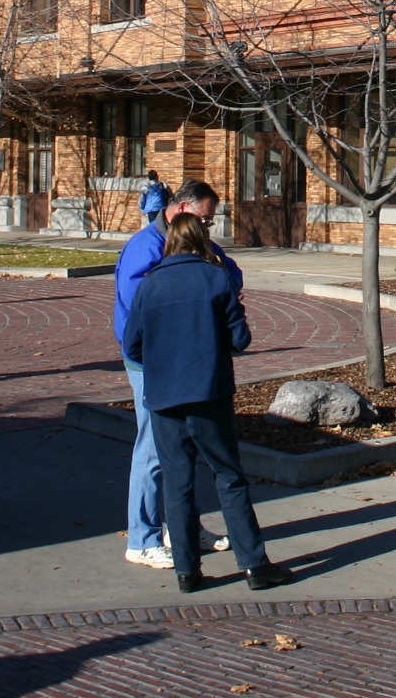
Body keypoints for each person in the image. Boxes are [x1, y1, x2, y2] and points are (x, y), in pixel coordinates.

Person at [125, 212, 292, 593]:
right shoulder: (216, 278)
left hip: (164, 395)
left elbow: (132, 345)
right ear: (201, 240)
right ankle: (254, 565)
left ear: (170, 241)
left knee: (177, 483)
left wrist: (162, 359)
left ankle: (187, 571)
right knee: (229, 477)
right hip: (209, 391)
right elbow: (240, 340)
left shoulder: (149, 286)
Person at [114, 180, 242, 570]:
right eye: (205, 218)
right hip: (153, 363)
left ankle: (183, 528)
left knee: (182, 450)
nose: (208, 226)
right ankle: (142, 539)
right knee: (154, 449)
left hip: (186, 360)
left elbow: (230, 275)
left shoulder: (197, 243)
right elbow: (137, 310)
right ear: (183, 207)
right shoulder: (145, 247)